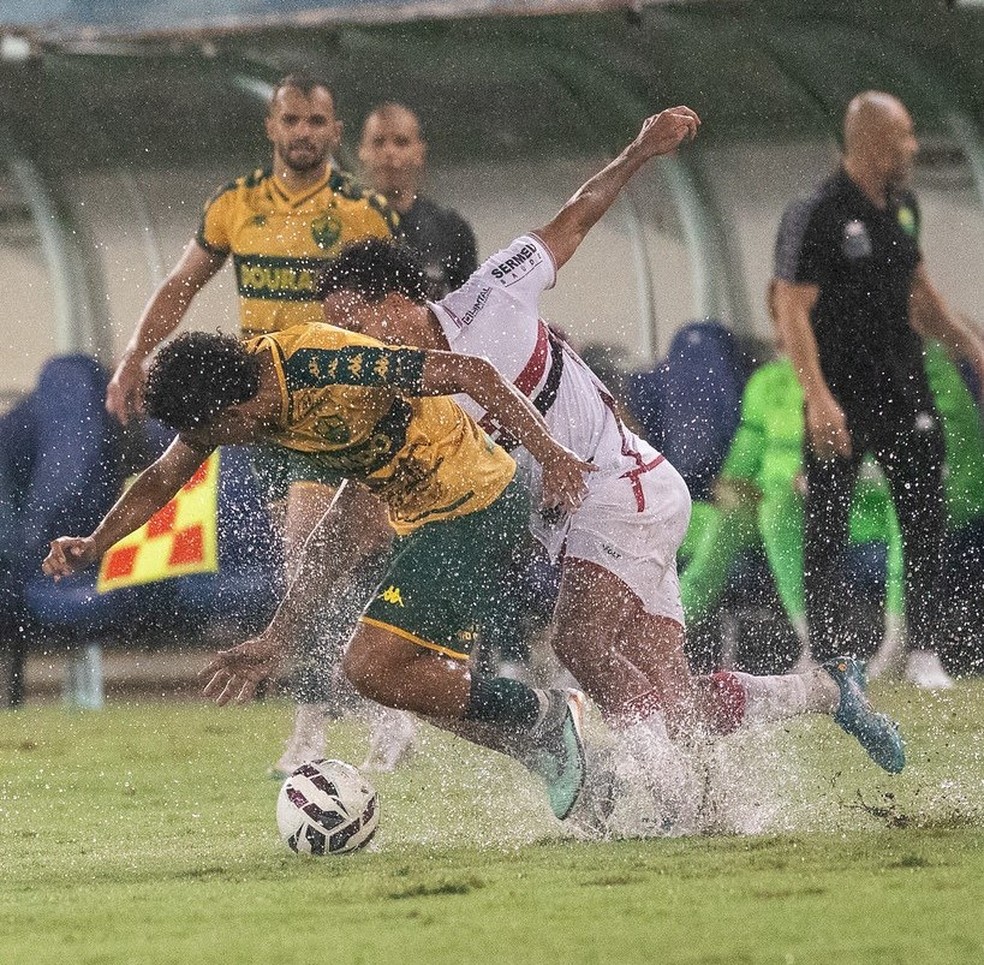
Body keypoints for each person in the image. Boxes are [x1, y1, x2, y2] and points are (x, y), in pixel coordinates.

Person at [268, 108, 905, 828]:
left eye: (349, 320)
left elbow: (577, 214)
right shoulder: (394, 399)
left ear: (393, 301)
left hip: (616, 484)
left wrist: (639, 148)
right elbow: (358, 495)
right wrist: (283, 623)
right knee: (675, 698)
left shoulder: (491, 291)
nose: (345, 340)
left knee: (580, 643)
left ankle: (682, 810)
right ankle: (827, 690)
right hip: (589, 516)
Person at [44, 324, 595, 822]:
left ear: (234, 413)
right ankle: (566, 760)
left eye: (209, 434)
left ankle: (545, 715)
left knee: (372, 667)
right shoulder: (234, 403)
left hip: (475, 502)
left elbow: (471, 371)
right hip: (414, 514)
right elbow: (162, 481)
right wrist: (96, 544)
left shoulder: (323, 363)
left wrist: (553, 455)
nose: (208, 446)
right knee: (418, 688)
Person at [103, 72, 398, 775]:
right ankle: (382, 707)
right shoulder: (235, 204)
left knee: (307, 548)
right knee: (319, 563)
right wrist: (134, 357)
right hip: (257, 412)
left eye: (317, 121)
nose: (303, 133)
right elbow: (182, 283)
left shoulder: (361, 209)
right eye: (291, 120)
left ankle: (315, 727)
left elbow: (396, 305)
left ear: (334, 130)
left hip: (332, 407)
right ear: (271, 128)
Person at [773, 91, 984, 690]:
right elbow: (792, 309)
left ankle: (922, 652)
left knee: (923, 520)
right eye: (904, 136)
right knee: (827, 527)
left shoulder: (905, 206)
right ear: (869, 139)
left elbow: (921, 292)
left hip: (906, 388)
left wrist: (971, 348)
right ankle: (825, 658)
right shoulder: (815, 211)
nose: (913, 147)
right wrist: (817, 396)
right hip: (840, 395)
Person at [358, 102, 478, 298]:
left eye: (401, 142)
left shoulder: (451, 229)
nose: (389, 152)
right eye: (379, 142)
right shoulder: (343, 223)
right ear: (363, 151)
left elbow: (469, 311)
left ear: (419, 152)